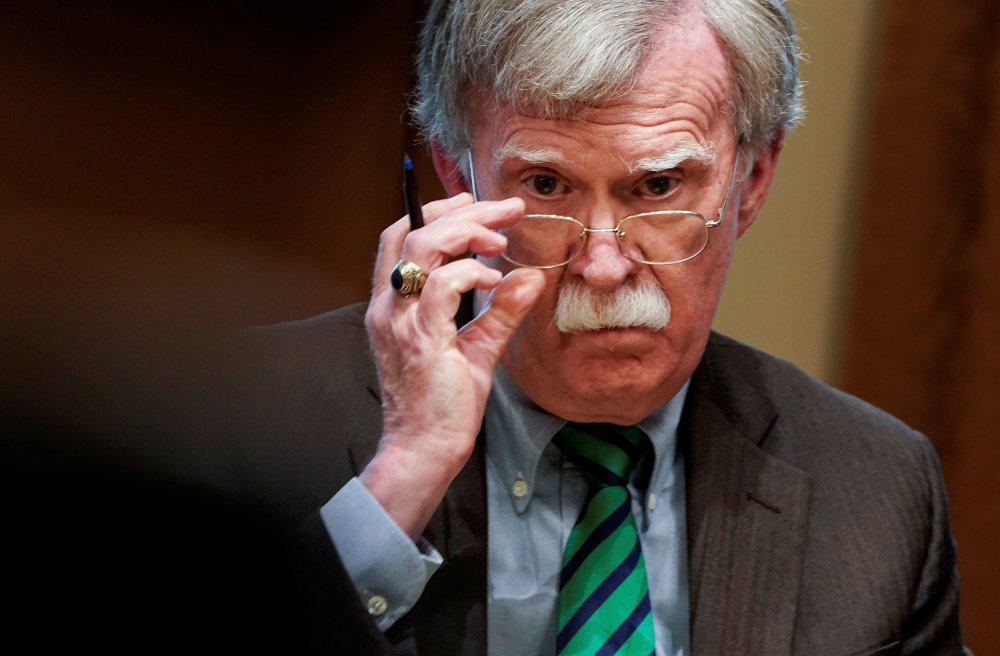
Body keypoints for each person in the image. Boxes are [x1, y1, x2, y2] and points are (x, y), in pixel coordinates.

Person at [250, 0, 966, 653]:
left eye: (657, 188)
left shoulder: (876, 489)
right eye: (546, 185)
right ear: (458, 177)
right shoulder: (236, 416)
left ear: (751, 180)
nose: (602, 265)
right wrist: (404, 473)